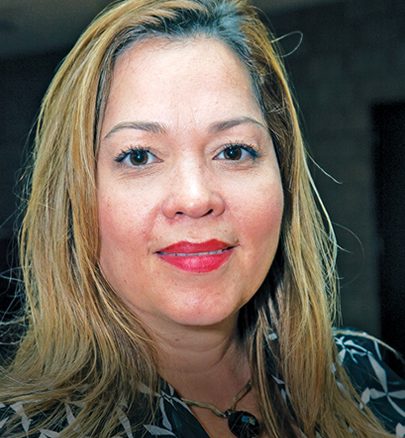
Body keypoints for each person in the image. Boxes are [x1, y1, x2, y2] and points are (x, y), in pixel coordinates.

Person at [0, 0, 403, 436]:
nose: (195, 199)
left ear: (283, 174)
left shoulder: (366, 374)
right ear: (75, 196)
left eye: (233, 151)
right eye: (139, 156)